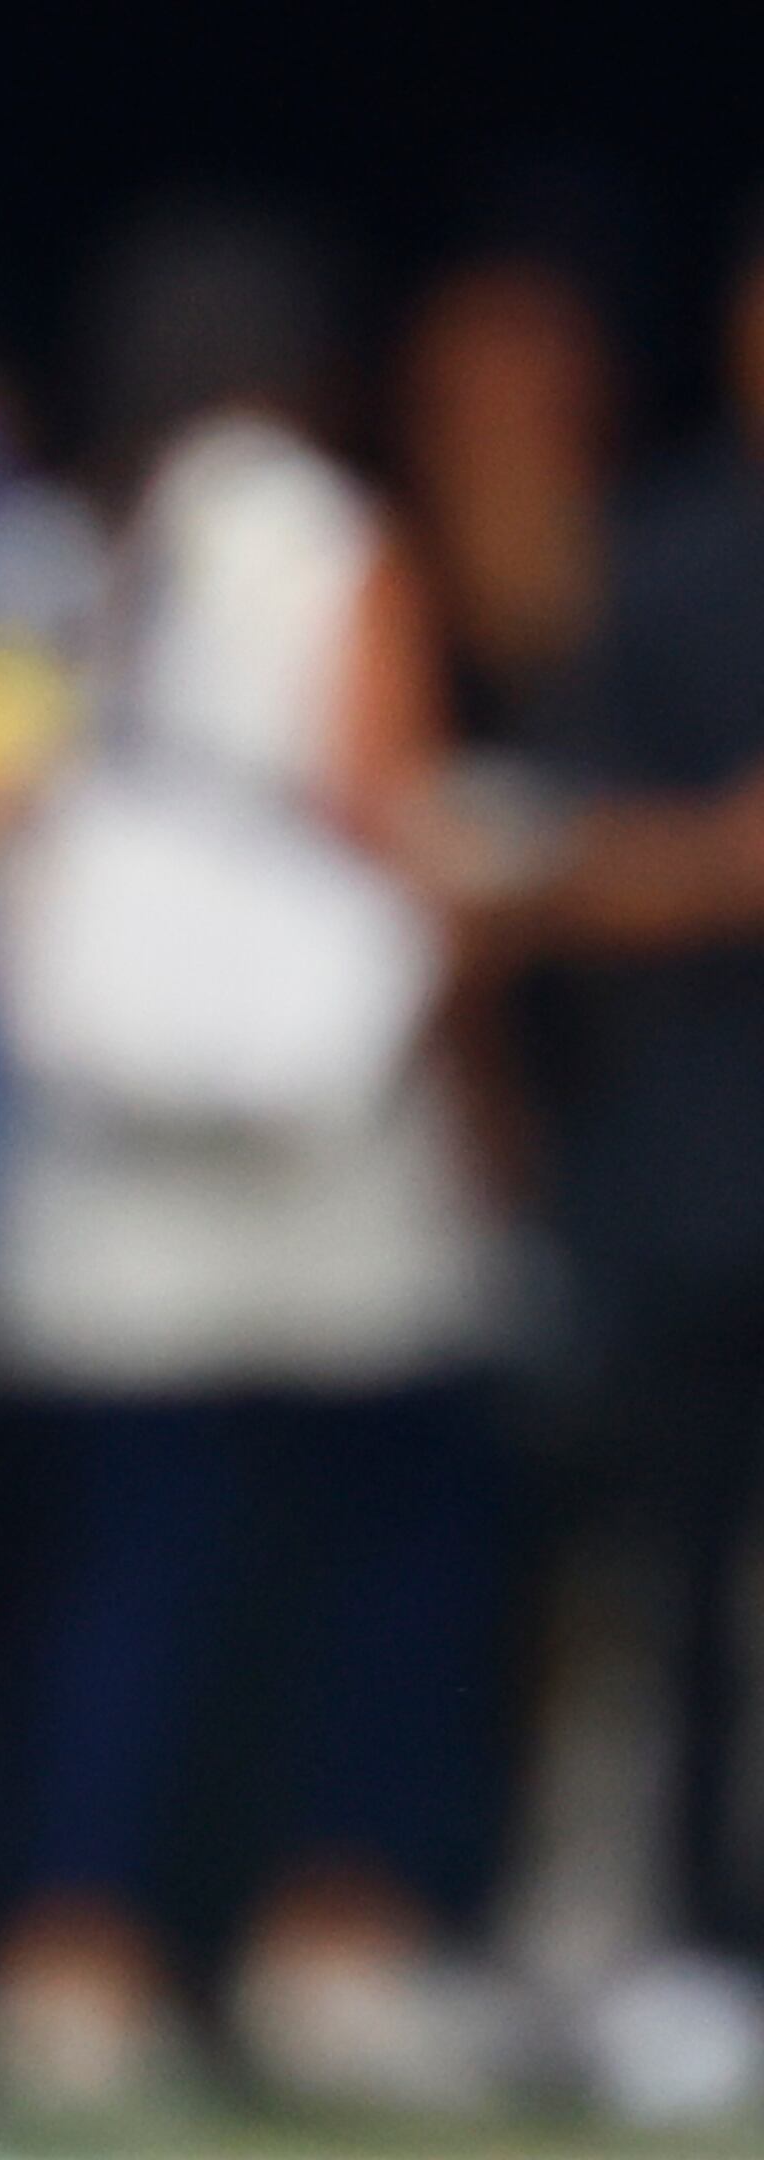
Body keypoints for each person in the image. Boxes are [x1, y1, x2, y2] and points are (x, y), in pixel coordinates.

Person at [0, 206, 515, 2119]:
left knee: (125, 1571)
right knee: (365, 1557)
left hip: (102, 1156)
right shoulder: (324, 536)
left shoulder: (42, 545)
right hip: (312, 1151)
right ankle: (330, 1946)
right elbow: (387, 812)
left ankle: (74, 1958)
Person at [450, 197, 764, 2127]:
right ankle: (674, 1956)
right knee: (665, 1590)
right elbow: (540, 868)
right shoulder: (662, 567)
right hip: (696, 1184)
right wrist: (721, 864)